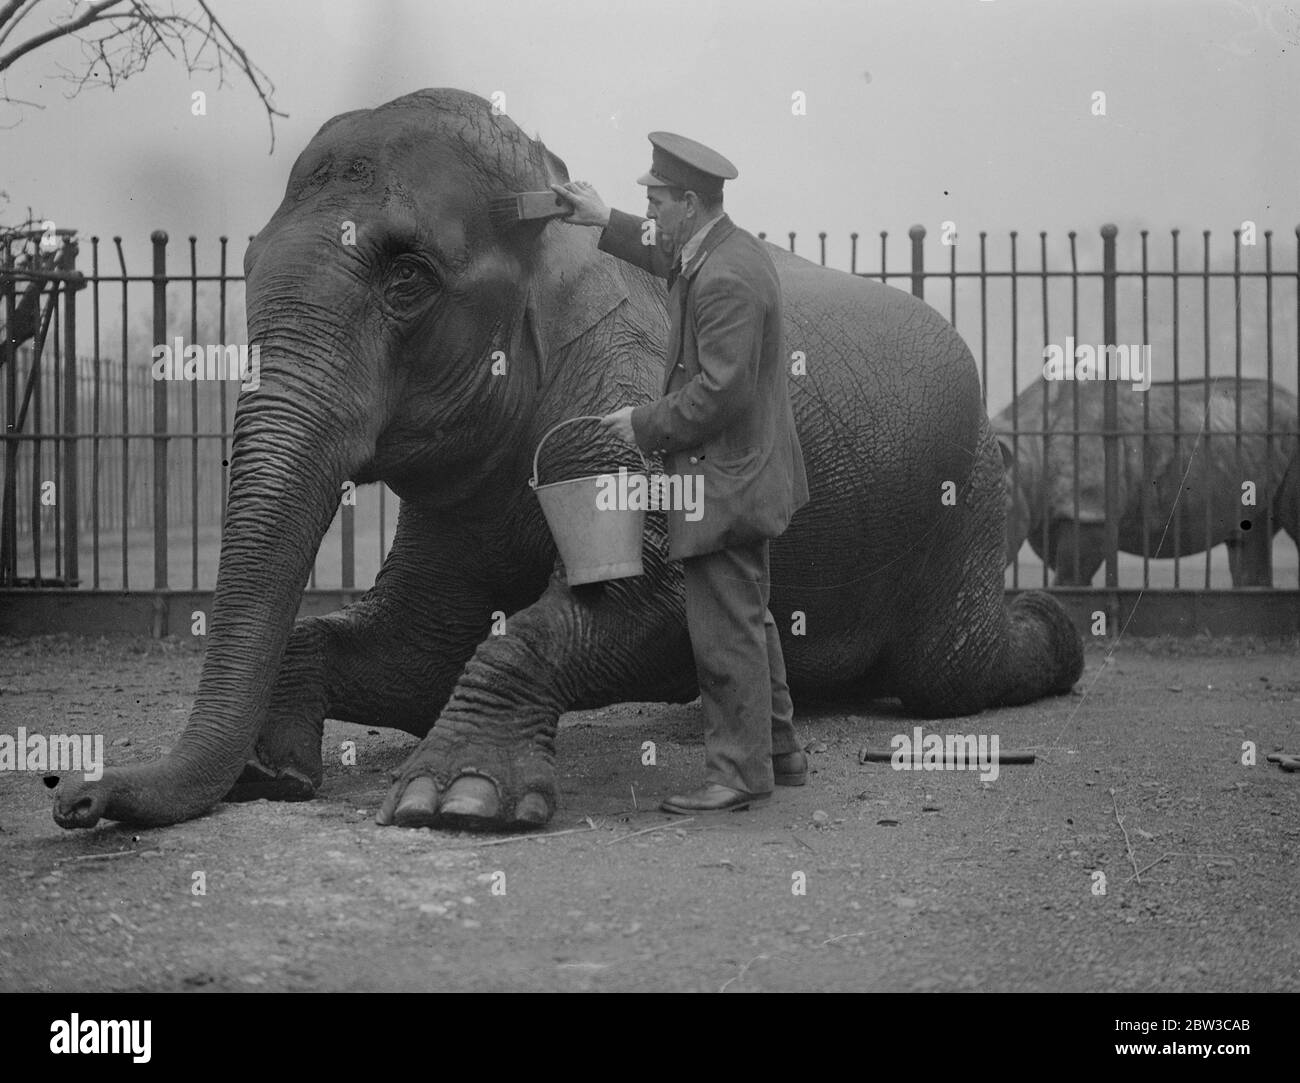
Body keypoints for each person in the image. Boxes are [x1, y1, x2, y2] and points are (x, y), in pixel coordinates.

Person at [551, 131, 809, 813]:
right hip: (745, 474)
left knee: (723, 632)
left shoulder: (725, 277)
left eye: (656, 199)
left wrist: (640, 424)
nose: (652, 209)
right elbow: (664, 252)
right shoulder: (719, 248)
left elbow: (719, 395)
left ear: (689, 203)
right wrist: (601, 216)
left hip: (725, 480)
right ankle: (778, 751)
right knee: (748, 618)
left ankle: (738, 773)